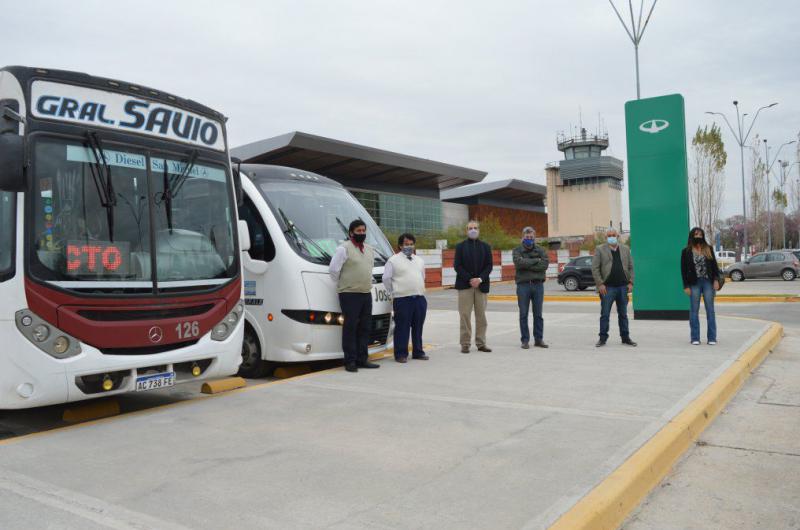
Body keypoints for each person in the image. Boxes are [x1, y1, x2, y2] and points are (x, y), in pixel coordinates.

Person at [329, 219, 380, 372]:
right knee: (350, 327)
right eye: (358, 231)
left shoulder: (370, 249)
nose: (362, 233)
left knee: (365, 327)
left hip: (365, 293)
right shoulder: (343, 248)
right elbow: (333, 270)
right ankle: (350, 361)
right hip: (349, 294)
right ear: (351, 233)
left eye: (364, 231)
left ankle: (362, 359)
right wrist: (345, 282)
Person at [383, 233, 429, 363]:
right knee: (402, 327)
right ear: (400, 245)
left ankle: (418, 352)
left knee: (418, 327)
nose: (409, 246)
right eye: (406, 244)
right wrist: (394, 292)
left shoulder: (419, 260)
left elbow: (422, 276)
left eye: (411, 244)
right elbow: (386, 279)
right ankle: (401, 354)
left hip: (419, 298)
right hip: (402, 299)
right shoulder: (393, 260)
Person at [591, 228, 637, 347]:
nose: (612, 237)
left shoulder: (625, 249)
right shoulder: (600, 249)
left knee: (623, 314)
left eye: (614, 235)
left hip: (623, 287)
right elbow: (595, 268)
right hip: (607, 288)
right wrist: (600, 284)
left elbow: (631, 267)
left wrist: (631, 282)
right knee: (605, 314)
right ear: (606, 238)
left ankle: (625, 337)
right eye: (609, 235)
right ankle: (602, 338)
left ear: (618, 236)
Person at [454, 220, 493, 353]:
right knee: (464, 315)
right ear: (466, 230)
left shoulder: (486, 247)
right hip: (465, 286)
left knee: (481, 316)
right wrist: (470, 279)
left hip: (481, 286)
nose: (473, 230)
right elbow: (457, 266)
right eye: (470, 228)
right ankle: (465, 343)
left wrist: (480, 279)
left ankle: (481, 343)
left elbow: (489, 266)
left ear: (479, 230)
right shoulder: (460, 247)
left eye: (475, 228)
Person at [680, 227, 722, 345]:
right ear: (692, 236)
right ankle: (695, 337)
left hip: (708, 282)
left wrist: (716, 280)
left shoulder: (708, 249)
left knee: (710, 310)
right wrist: (685, 286)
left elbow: (714, 267)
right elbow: (683, 270)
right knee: (694, 310)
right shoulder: (686, 251)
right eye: (696, 234)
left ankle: (712, 338)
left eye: (700, 234)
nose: (698, 236)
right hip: (694, 283)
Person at [513, 226, 550, 349]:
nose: (529, 239)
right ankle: (525, 340)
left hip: (538, 285)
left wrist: (527, 263)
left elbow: (544, 265)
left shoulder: (541, 249)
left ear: (534, 237)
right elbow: (519, 263)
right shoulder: (517, 250)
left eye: (531, 237)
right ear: (523, 237)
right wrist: (535, 260)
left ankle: (538, 339)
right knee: (523, 314)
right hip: (523, 286)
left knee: (538, 314)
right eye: (527, 237)